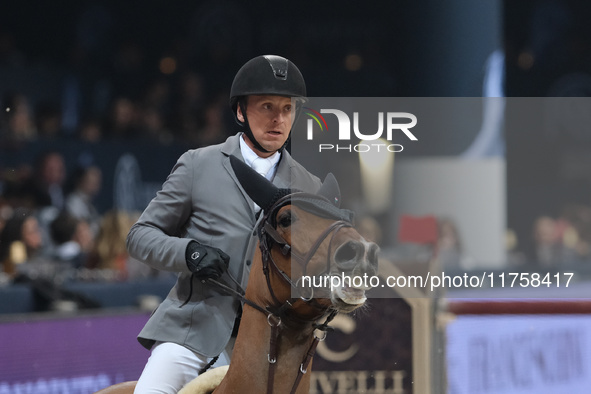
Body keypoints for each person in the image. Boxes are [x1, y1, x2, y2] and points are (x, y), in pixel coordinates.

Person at [127, 55, 322, 393]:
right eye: (266, 106)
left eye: (287, 109)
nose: (278, 119)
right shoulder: (198, 165)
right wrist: (189, 252)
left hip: (270, 345)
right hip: (193, 332)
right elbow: (139, 236)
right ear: (240, 112)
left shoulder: (310, 188)